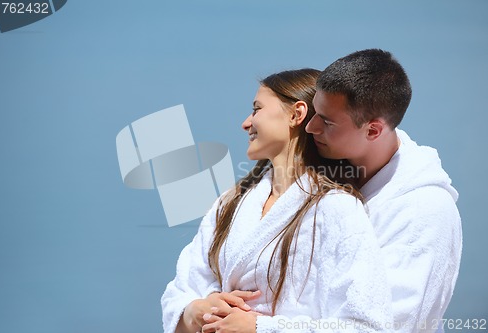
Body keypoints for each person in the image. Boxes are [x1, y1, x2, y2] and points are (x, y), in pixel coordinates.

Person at [161, 69, 393, 333]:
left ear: (296, 114)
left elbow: (367, 326)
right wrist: (195, 311)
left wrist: (261, 327)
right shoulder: (231, 203)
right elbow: (182, 290)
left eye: (256, 109)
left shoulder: (336, 208)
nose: (246, 123)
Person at [305, 49, 462, 332]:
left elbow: (386, 323)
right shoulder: (327, 174)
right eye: (315, 112)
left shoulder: (424, 212)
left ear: (374, 130)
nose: (310, 126)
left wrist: (265, 326)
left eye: (326, 121)